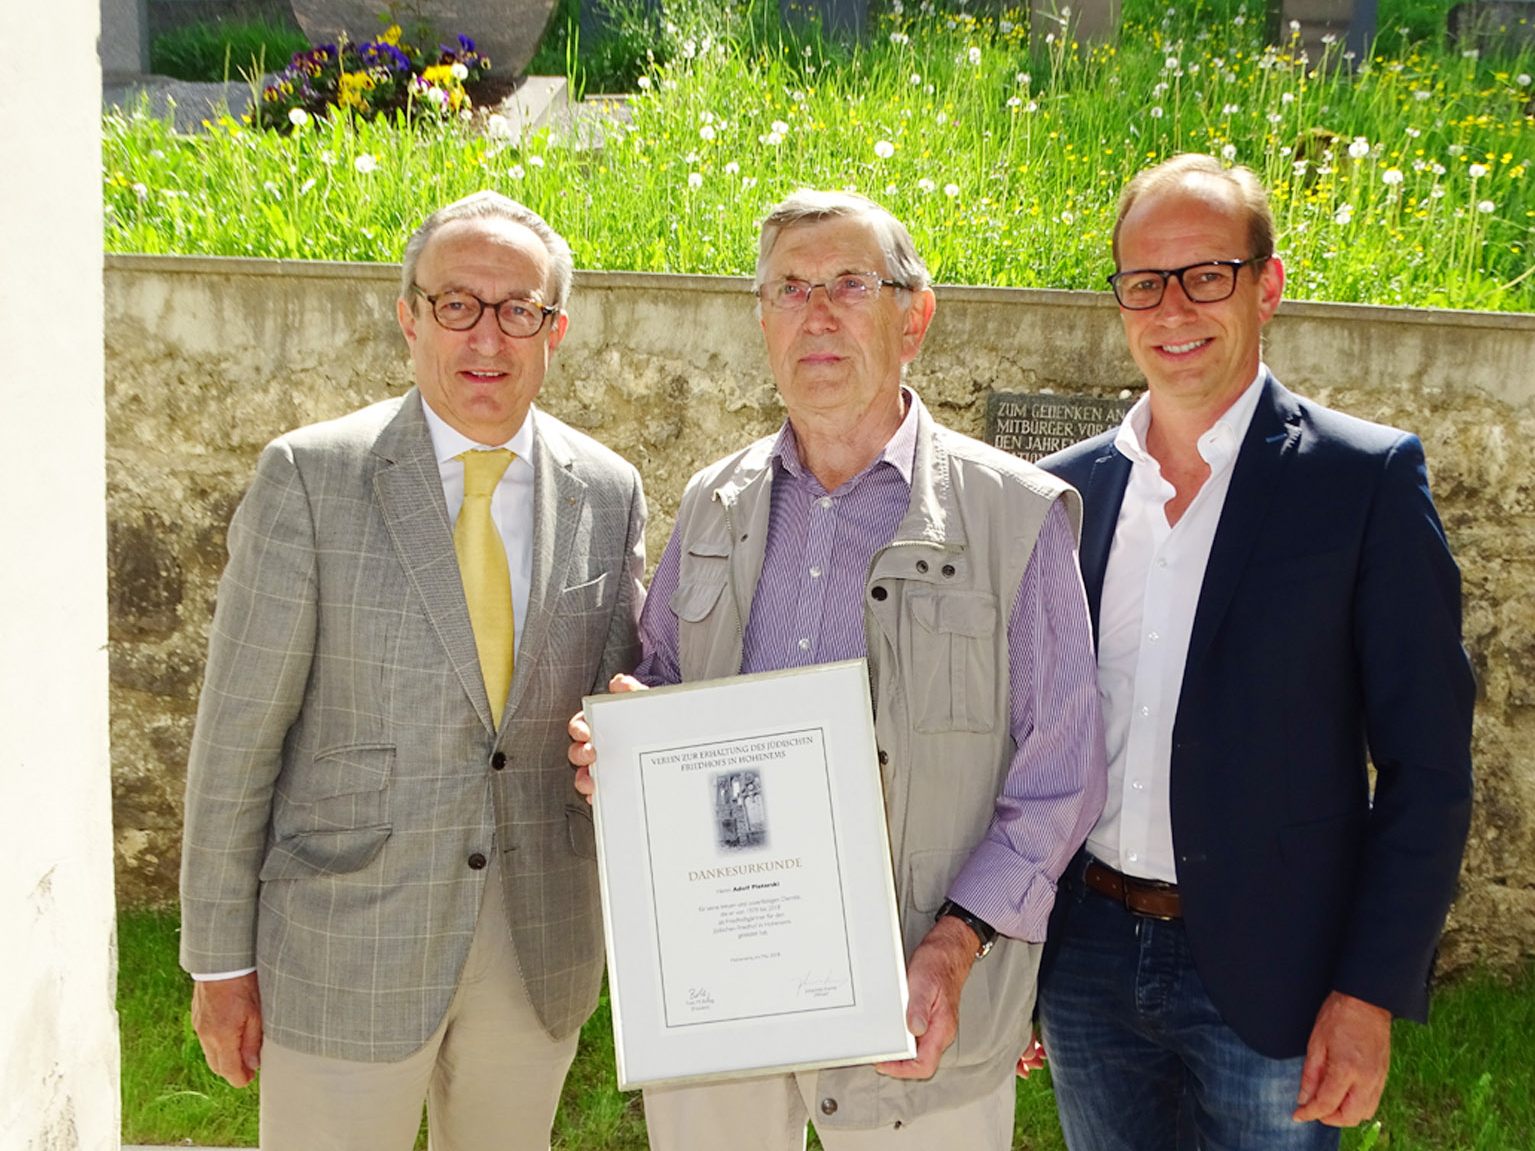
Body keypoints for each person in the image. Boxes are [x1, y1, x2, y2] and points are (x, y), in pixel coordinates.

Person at [569, 189, 1107, 1150]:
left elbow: (1059, 776)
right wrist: (622, 738)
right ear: (762, 321)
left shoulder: (1013, 517)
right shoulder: (713, 501)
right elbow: (659, 673)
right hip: (721, 1001)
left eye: (849, 285)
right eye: (789, 289)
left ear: (914, 317)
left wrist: (955, 945)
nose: (815, 314)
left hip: (915, 1000)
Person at [178, 191, 647, 1151]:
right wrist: (218, 961)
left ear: (554, 330)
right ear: (410, 316)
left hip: (536, 941)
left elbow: (616, 705)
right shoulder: (310, 478)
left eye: (519, 309)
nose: (488, 336)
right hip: (346, 945)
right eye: (457, 304)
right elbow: (237, 739)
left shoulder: (608, 490)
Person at [1035, 154, 1475, 1150]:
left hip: (1279, 967)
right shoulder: (1065, 492)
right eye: (1143, 281)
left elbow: (1427, 767)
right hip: (1085, 958)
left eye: (1206, 274)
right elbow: (1032, 735)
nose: (1172, 307)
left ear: (1265, 285)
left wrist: (1367, 989)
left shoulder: (1361, 481)